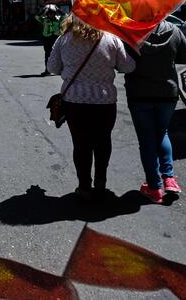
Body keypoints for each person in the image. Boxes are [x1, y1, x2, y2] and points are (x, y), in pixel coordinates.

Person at [47, 15, 135, 200]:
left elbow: (52, 67)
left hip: (75, 101)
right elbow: (128, 67)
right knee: (103, 142)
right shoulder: (111, 39)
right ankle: (101, 183)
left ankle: (84, 186)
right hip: (104, 102)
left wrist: (69, 69)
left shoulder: (64, 39)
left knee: (81, 145)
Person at [124, 19, 186, 204]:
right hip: (167, 92)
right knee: (162, 133)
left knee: (146, 139)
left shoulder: (131, 31)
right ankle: (168, 178)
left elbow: (122, 62)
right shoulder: (174, 30)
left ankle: (153, 187)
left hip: (139, 93)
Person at [36, 5, 63, 76]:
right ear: (47, 14)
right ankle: (47, 70)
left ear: (55, 13)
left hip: (56, 38)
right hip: (47, 38)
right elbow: (37, 16)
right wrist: (43, 10)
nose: (51, 14)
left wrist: (58, 9)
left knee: (58, 54)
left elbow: (65, 16)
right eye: (49, 13)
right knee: (47, 55)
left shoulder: (58, 19)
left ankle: (59, 70)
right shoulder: (44, 20)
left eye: (52, 13)